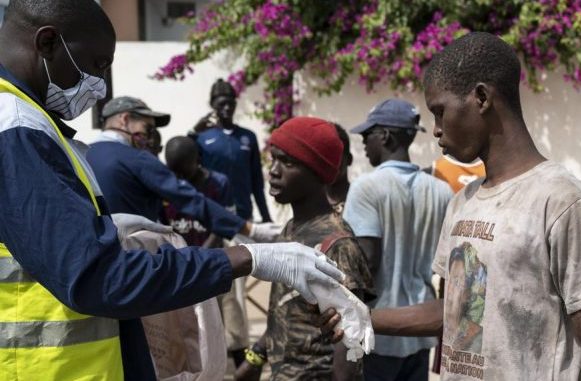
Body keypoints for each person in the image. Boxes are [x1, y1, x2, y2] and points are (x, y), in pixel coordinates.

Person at [0, 2, 344, 380]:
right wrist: (248, 254)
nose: (98, 86)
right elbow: (99, 276)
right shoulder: (18, 129)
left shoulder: (44, 131)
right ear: (48, 43)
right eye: (96, 65)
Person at [325, 32, 581, 381]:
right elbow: (456, 309)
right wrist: (364, 316)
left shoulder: (559, 199)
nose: (436, 130)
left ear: (481, 97)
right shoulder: (462, 202)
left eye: (440, 111)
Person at [235, 116, 375, 381]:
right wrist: (255, 357)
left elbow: (349, 345)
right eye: (273, 159)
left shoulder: (337, 245)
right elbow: (286, 308)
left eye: (288, 162)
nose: (274, 171)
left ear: (318, 172)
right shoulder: (291, 229)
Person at [343, 98, 453, 381]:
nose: (364, 144)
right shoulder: (442, 192)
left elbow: (366, 261)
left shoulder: (366, 187)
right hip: (421, 328)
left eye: (368, 135)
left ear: (386, 136)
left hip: (379, 330)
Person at [88, 95, 279, 243]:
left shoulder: (83, 154)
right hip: (135, 257)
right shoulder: (135, 158)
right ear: (125, 119)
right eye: (148, 128)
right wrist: (248, 229)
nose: (149, 137)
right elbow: (187, 197)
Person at [162, 135, 250, 367]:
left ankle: (243, 367)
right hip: (181, 263)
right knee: (189, 325)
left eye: (183, 170)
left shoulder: (219, 183)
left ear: (197, 159)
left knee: (231, 315)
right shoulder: (166, 183)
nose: (179, 177)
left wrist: (201, 256)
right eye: (174, 171)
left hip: (215, 258)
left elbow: (222, 226)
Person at [193, 79, 272, 222]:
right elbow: (186, 168)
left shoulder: (248, 136)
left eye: (231, 103)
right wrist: (193, 133)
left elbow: (257, 181)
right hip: (212, 217)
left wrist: (266, 217)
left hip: (243, 217)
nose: (227, 108)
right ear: (212, 105)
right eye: (222, 104)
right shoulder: (201, 137)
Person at [326, 123, 353, 214]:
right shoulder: (309, 203)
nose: (330, 162)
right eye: (325, 156)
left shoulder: (358, 200)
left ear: (349, 159)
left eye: (336, 156)